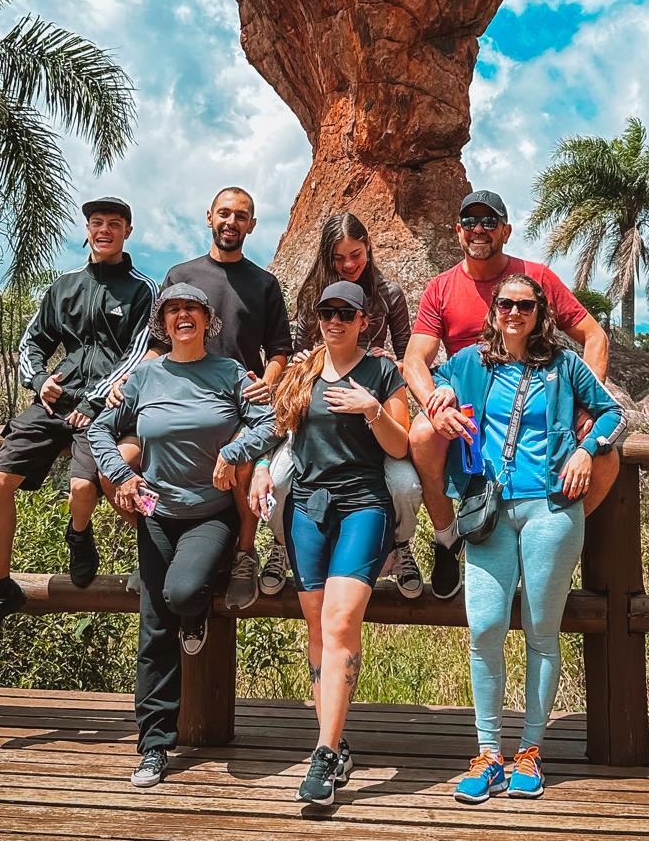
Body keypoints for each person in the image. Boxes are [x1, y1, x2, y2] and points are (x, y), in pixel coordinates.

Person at [436, 273, 625, 804]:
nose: (514, 313)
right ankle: (488, 754)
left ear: (540, 313)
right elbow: (423, 381)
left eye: (525, 305)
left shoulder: (565, 366)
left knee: (542, 631)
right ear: (493, 311)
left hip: (551, 509)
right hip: (489, 510)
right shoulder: (471, 363)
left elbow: (615, 414)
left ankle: (530, 752)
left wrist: (588, 450)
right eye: (506, 304)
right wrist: (440, 395)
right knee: (485, 629)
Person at [88, 283, 280, 789]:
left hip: (211, 513)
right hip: (156, 512)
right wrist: (122, 475)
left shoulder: (230, 373)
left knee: (181, 592)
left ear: (208, 320)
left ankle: (194, 614)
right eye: (173, 310)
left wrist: (235, 452)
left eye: (191, 308)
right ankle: (154, 746)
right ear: (163, 323)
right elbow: (98, 430)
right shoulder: (143, 377)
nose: (182, 316)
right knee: (154, 630)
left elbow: (269, 423)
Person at [0, 198, 157, 648]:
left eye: (114, 224)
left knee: (83, 489)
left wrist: (93, 399)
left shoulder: (143, 289)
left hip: (104, 407)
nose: (104, 230)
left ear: (127, 231)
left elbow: (137, 355)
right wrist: (40, 380)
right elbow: (32, 342)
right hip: (54, 403)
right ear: (87, 230)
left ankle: (79, 534)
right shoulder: (64, 285)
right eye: (97, 223)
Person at [404, 189, 615, 599]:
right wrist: (435, 401)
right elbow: (415, 358)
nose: (478, 230)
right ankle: (448, 538)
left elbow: (594, 336)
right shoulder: (441, 287)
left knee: (607, 457)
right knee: (423, 434)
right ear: (458, 231)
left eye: (489, 222)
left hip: (535, 401)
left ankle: (554, 536)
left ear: (506, 231)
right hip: (471, 410)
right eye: (470, 222)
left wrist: (582, 403)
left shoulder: (536, 279)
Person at [250, 281, 409, 806]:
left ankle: (321, 755)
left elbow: (400, 445)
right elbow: (275, 429)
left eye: (345, 313)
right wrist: (259, 467)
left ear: (365, 321)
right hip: (307, 509)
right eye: (326, 312)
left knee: (341, 623)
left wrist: (371, 408)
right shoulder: (303, 371)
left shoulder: (382, 372)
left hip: (363, 505)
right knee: (318, 628)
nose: (334, 321)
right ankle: (336, 745)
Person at [108, 186, 292, 610]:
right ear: (210, 217)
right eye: (224, 213)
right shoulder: (181, 275)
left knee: (241, 465)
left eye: (241, 216)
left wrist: (268, 381)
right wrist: (132, 380)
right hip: (173, 399)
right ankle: (155, 545)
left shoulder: (264, 283)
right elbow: (158, 344)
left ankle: (244, 553)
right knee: (118, 462)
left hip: (234, 408)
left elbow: (279, 348)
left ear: (252, 225)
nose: (231, 222)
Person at [260, 212, 423, 600]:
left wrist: (387, 362)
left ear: (368, 247)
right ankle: (281, 545)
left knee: (405, 485)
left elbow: (409, 355)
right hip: (317, 408)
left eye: (356, 254)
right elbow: (298, 353)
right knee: (279, 480)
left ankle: (400, 545)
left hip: (373, 403)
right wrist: (302, 360)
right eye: (339, 257)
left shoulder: (388, 294)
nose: (349, 264)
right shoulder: (312, 293)